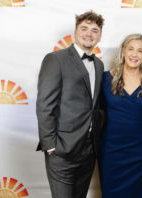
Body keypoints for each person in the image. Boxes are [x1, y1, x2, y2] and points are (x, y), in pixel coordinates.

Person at [36, 10, 105, 198]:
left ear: (100, 36)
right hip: (62, 150)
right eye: (84, 28)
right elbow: (44, 105)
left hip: (90, 150)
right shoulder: (56, 59)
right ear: (75, 32)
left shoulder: (99, 65)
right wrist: (50, 146)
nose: (89, 34)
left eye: (94, 30)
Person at [99, 34, 142, 198]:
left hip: (141, 153)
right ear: (123, 51)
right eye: (130, 49)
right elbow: (97, 113)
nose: (134, 55)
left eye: (139, 51)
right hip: (111, 152)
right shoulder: (105, 78)